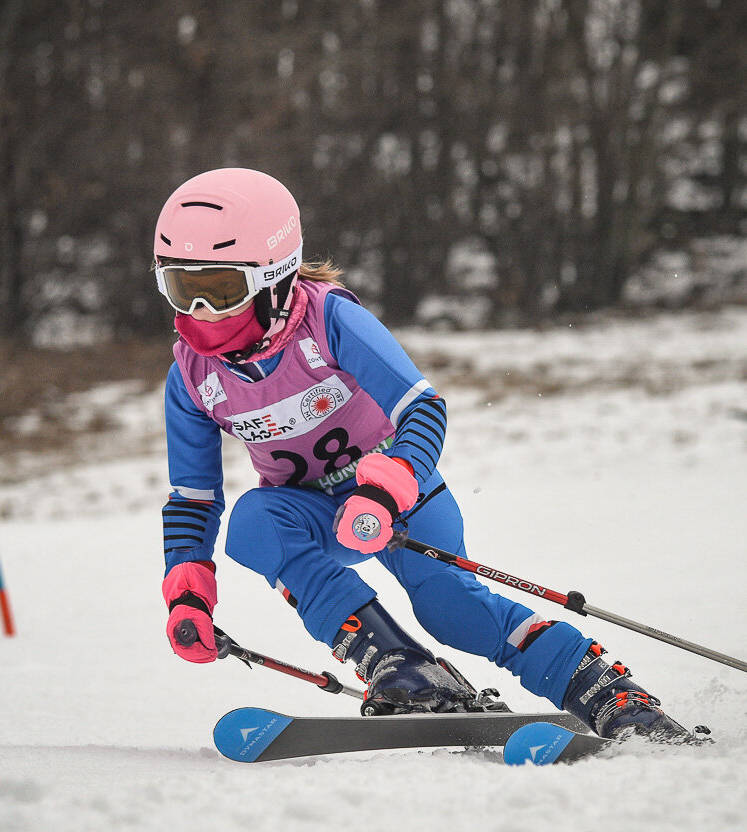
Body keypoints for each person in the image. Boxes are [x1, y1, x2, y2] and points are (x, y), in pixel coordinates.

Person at [155, 167, 690, 740]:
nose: (202, 310)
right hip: (310, 511)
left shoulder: (330, 320)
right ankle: (401, 666)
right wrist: (187, 594)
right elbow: (192, 500)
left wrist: (385, 488)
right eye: (183, 289)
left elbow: (424, 409)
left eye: (222, 289)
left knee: (452, 612)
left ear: (275, 276)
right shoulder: (191, 378)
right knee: (255, 524)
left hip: (401, 497)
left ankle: (608, 694)